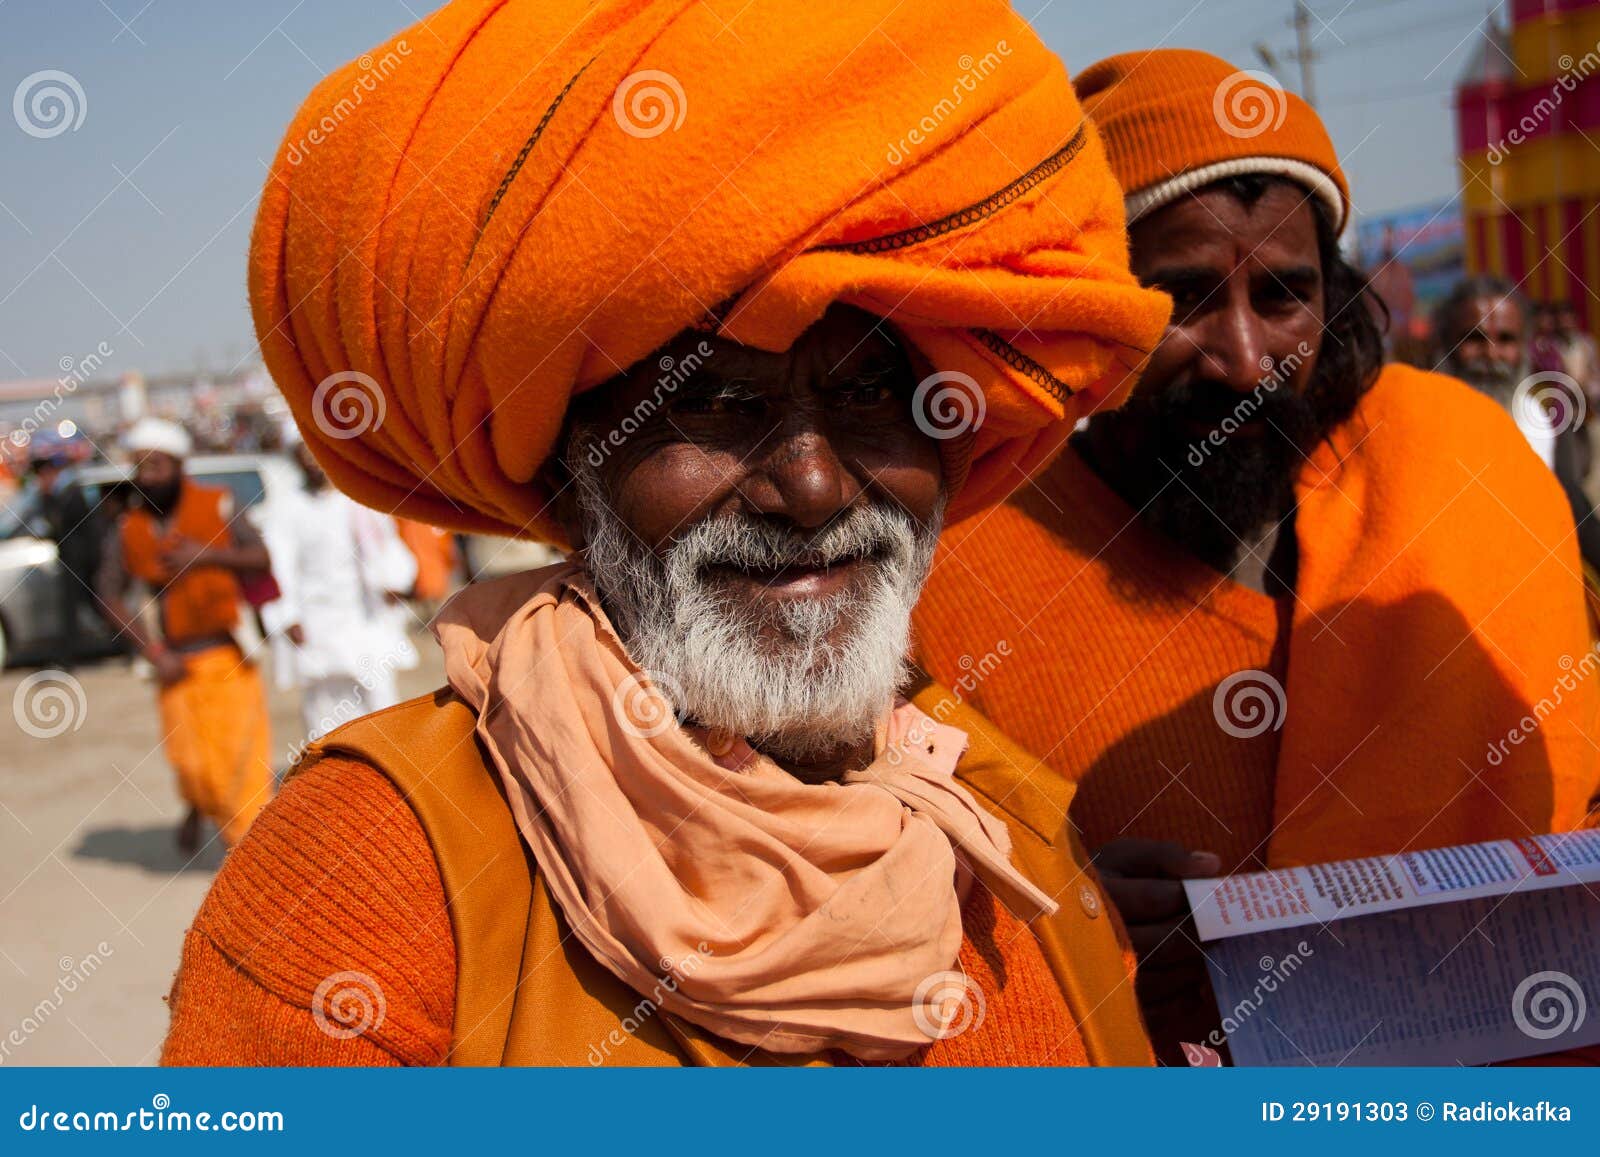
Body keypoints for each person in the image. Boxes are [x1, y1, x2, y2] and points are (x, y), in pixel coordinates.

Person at [159, 0, 1173, 1068]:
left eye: (872, 390)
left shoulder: (1003, 820)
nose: (815, 487)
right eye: (720, 407)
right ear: (565, 456)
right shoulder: (369, 875)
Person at [910, 48, 1600, 1062]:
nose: (1242, 358)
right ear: (1090, 300)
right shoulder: (959, 552)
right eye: (1183, 297)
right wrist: (1057, 919)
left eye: (1284, 295)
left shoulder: (1463, 460)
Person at [95, 418, 275, 853]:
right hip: (173, 665)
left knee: (239, 766)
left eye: (158, 465)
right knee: (191, 765)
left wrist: (208, 556)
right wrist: (152, 651)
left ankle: (251, 859)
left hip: (227, 657)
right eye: (141, 467)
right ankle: (198, 808)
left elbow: (262, 559)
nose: (149, 476)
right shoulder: (129, 529)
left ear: (179, 465)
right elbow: (107, 593)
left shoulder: (218, 505)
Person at [1433, 276, 1600, 575]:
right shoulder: (1421, 424)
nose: (1491, 354)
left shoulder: (1544, 425)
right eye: (1473, 339)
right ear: (1446, 345)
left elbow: (1575, 515)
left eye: (1506, 339)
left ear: (1523, 346)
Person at [262, 440, 419, 746]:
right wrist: (288, 616)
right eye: (303, 455)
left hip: (365, 617)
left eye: (315, 453)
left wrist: (393, 582)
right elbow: (280, 566)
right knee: (325, 706)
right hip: (316, 621)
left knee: (379, 696)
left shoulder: (359, 499)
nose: (311, 461)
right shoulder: (287, 508)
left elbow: (387, 548)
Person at [25, 449, 101, 667]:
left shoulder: (71, 493)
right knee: (80, 607)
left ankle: (70, 658)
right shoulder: (53, 495)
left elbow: (77, 530)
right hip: (71, 561)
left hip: (81, 561)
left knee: (85, 606)